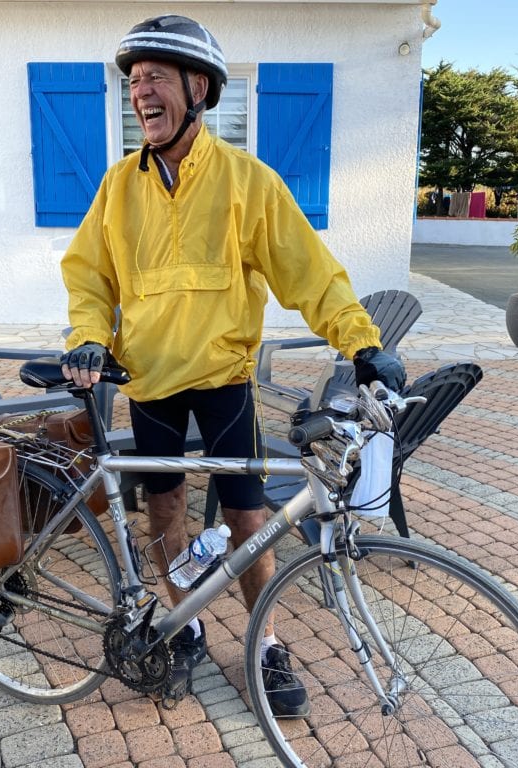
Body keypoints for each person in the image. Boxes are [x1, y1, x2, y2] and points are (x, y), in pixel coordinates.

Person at [60, 15, 405, 716]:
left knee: (249, 520)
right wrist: (89, 335)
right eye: (133, 81)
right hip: (149, 381)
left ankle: (266, 639)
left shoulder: (248, 182)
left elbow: (310, 273)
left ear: (199, 88)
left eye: (156, 77)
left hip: (223, 382)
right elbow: (88, 275)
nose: (141, 92)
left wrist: (361, 343)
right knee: (164, 513)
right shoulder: (118, 187)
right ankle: (185, 626)